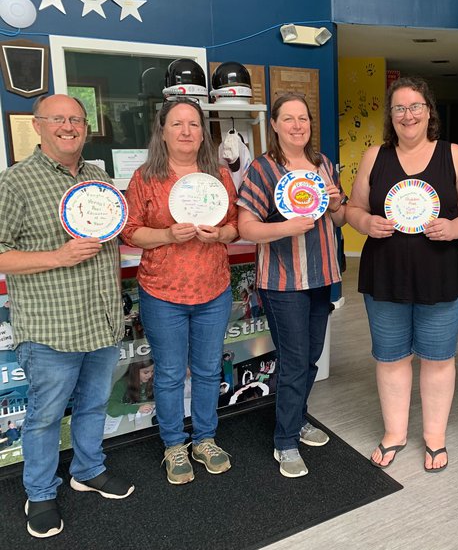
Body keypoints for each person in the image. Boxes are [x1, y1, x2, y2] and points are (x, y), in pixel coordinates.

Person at [0, 94, 134, 539]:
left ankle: (88, 469)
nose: (68, 126)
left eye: (76, 119)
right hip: (50, 328)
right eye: (58, 118)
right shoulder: (15, 183)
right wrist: (57, 256)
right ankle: (39, 493)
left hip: (100, 320)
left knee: (94, 404)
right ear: (37, 126)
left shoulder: (99, 179)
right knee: (44, 415)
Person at [346, 77, 458, 472]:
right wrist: (366, 222)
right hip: (385, 275)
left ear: (429, 112)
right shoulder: (375, 156)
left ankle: (435, 438)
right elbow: (353, 209)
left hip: (441, 275)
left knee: (439, 359)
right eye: (399, 108)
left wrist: (456, 228)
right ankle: (395, 434)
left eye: (415, 106)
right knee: (391, 359)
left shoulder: (453, 154)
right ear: (391, 116)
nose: (408, 115)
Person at [121, 98, 238, 485]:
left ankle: (205, 439)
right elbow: (130, 229)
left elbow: (235, 225)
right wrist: (167, 235)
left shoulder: (218, 175)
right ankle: (174, 444)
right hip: (162, 293)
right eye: (177, 124)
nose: (186, 131)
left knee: (206, 370)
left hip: (213, 290)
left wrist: (220, 233)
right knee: (170, 374)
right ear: (163, 132)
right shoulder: (145, 177)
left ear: (203, 132)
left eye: (193, 124)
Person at [238, 93, 345, 478]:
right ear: (275, 125)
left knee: (311, 357)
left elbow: (340, 219)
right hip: (283, 282)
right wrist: (285, 227)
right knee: (294, 360)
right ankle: (285, 441)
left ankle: (298, 420)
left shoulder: (323, 164)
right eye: (289, 119)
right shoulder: (262, 170)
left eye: (303, 118)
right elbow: (245, 227)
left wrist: (334, 203)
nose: (297, 125)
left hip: (322, 276)